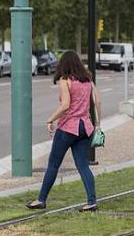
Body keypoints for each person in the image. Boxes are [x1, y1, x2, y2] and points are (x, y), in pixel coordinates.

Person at [26, 51, 100, 212]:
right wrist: (97, 124)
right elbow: (97, 101)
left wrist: (50, 119)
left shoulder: (65, 80)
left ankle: (41, 200)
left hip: (68, 127)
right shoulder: (88, 79)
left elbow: (65, 105)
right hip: (85, 127)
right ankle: (92, 201)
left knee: (53, 164)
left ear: (63, 64)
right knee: (83, 165)